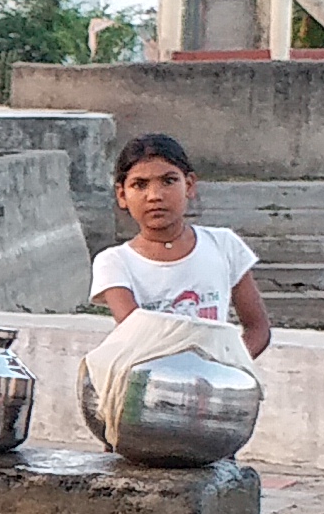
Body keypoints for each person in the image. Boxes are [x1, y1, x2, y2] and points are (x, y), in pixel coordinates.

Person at [90, 133, 272, 356]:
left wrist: (227, 367)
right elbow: (135, 335)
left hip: (214, 383)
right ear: (122, 195)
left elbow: (258, 328)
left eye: (168, 181)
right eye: (140, 185)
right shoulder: (114, 262)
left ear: (189, 185)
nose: (155, 196)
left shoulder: (224, 245)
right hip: (148, 383)